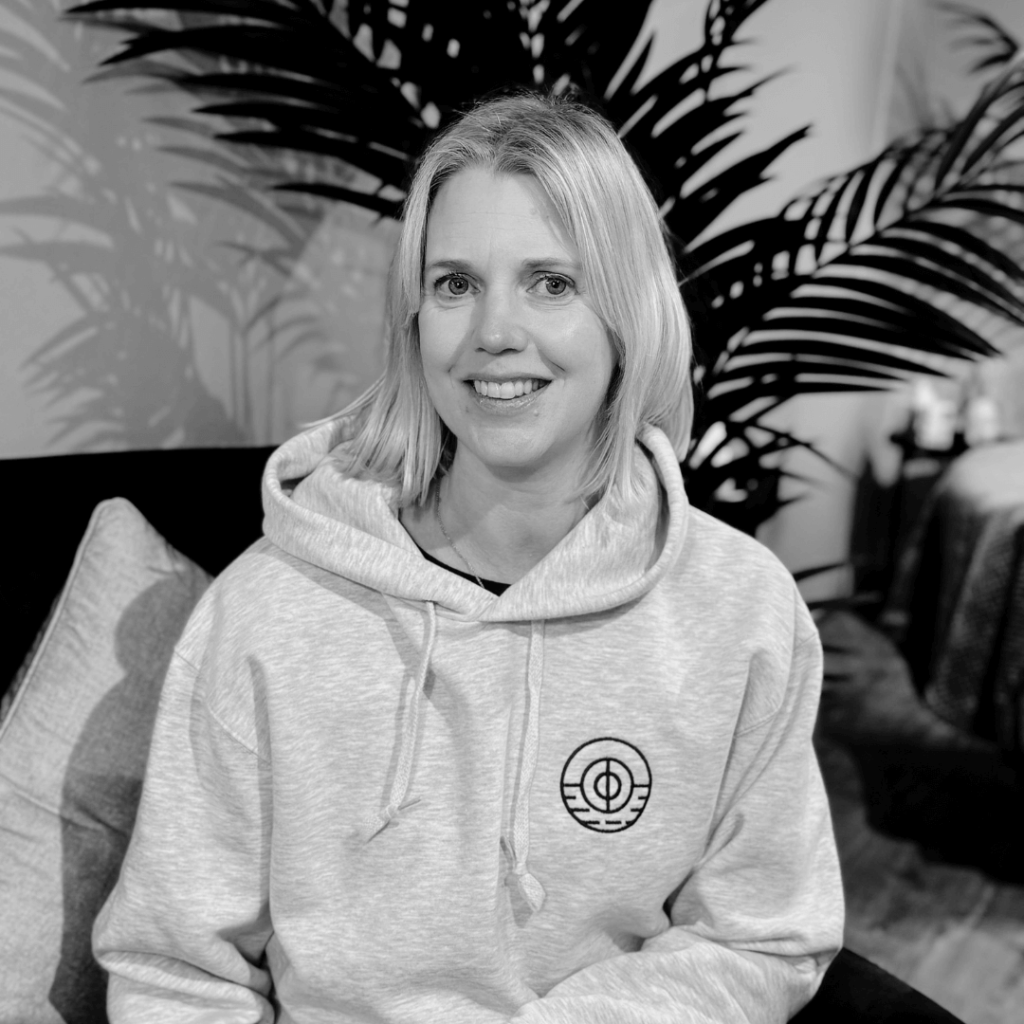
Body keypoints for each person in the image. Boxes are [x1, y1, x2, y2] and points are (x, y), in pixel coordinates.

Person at [94, 91, 844, 1023]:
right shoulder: (270, 609)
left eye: (551, 283)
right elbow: (174, 973)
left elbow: (763, 933)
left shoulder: (740, 611)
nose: (495, 331)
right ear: (415, 320)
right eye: (454, 284)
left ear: (629, 315)